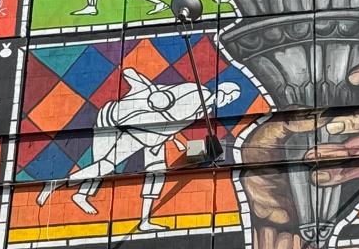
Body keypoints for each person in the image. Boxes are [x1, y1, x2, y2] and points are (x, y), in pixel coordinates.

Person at [37, 68, 239, 229]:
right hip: (140, 131)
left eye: (231, 101)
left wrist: (174, 139)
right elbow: (164, 99)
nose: (227, 102)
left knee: (156, 174)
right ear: (222, 90)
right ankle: (57, 184)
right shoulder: (197, 92)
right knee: (105, 165)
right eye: (229, 97)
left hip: (155, 139)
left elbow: (174, 122)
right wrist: (160, 98)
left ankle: (144, 221)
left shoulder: (206, 108)